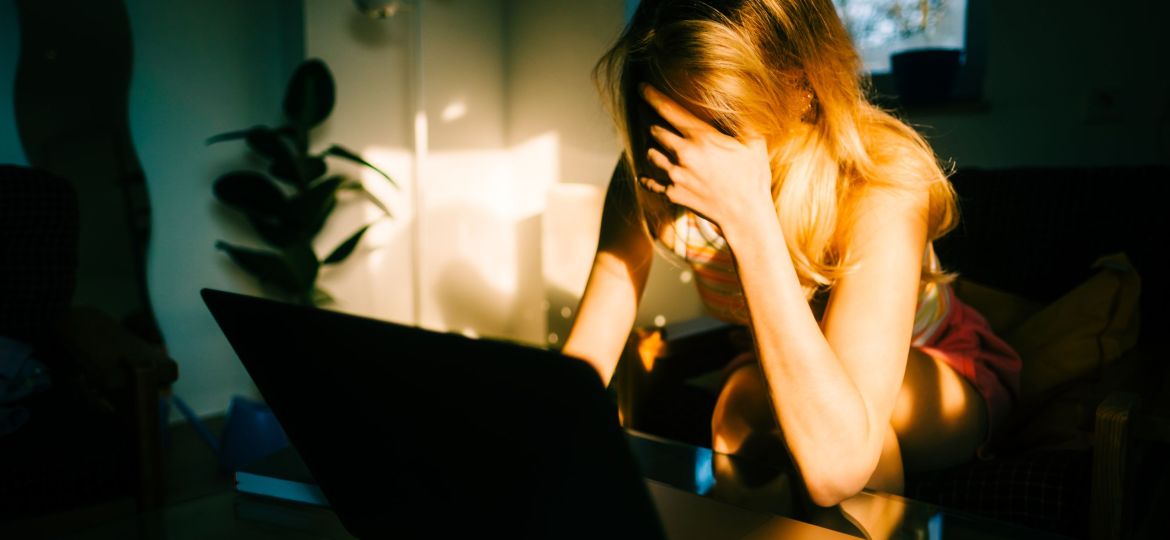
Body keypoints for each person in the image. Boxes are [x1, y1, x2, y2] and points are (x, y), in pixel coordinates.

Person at [561, 0, 1021, 508]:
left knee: (838, 435)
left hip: (939, 367)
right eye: (669, 121)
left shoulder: (881, 183)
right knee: (740, 409)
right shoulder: (658, 170)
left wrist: (748, 219)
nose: (693, 155)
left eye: (721, 126)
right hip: (775, 363)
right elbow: (584, 366)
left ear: (803, 89)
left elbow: (840, 466)